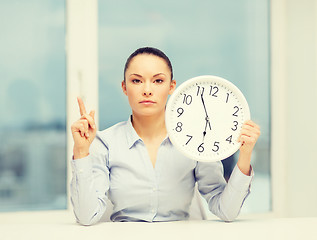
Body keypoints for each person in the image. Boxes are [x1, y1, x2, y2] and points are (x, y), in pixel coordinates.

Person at [70, 47, 261, 225]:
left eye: (158, 80)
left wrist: (244, 155)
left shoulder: (195, 141)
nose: (147, 89)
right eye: (136, 80)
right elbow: (87, 216)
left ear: (172, 87)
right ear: (124, 87)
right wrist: (81, 151)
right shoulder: (106, 142)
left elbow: (226, 211)